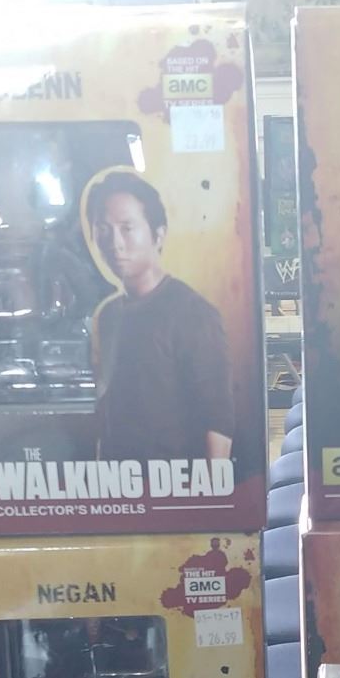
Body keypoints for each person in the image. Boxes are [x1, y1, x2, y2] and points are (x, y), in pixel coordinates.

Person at [86, 170, 234, 464]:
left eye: (127, 228)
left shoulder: (193, 313)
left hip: (177, 483)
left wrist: (209, 490)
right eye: (103, 229)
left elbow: (217, 420)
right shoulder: (109, 316)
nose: (114, 243)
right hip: (119, 483)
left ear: (158, 234)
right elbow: (107, 413)